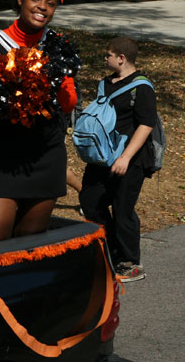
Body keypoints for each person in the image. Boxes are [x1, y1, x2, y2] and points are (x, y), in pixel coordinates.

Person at [0, 0, 78, 243]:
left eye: (50, 3)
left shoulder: (59, 47)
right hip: (2, 155)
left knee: (29, 240)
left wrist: (50, 86)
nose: (42, 8)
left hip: (45, 155)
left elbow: (69, 102)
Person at [79, 37, 156, 282]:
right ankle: (109, 252)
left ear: (121, 58)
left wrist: (125, 157)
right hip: (102, 156)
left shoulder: (141, 87)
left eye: (108, 55)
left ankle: (130, 262)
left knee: (123, 210)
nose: (105, 58)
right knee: (90, 200)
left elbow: (146, 125)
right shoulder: (105, 83)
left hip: (129, 159)